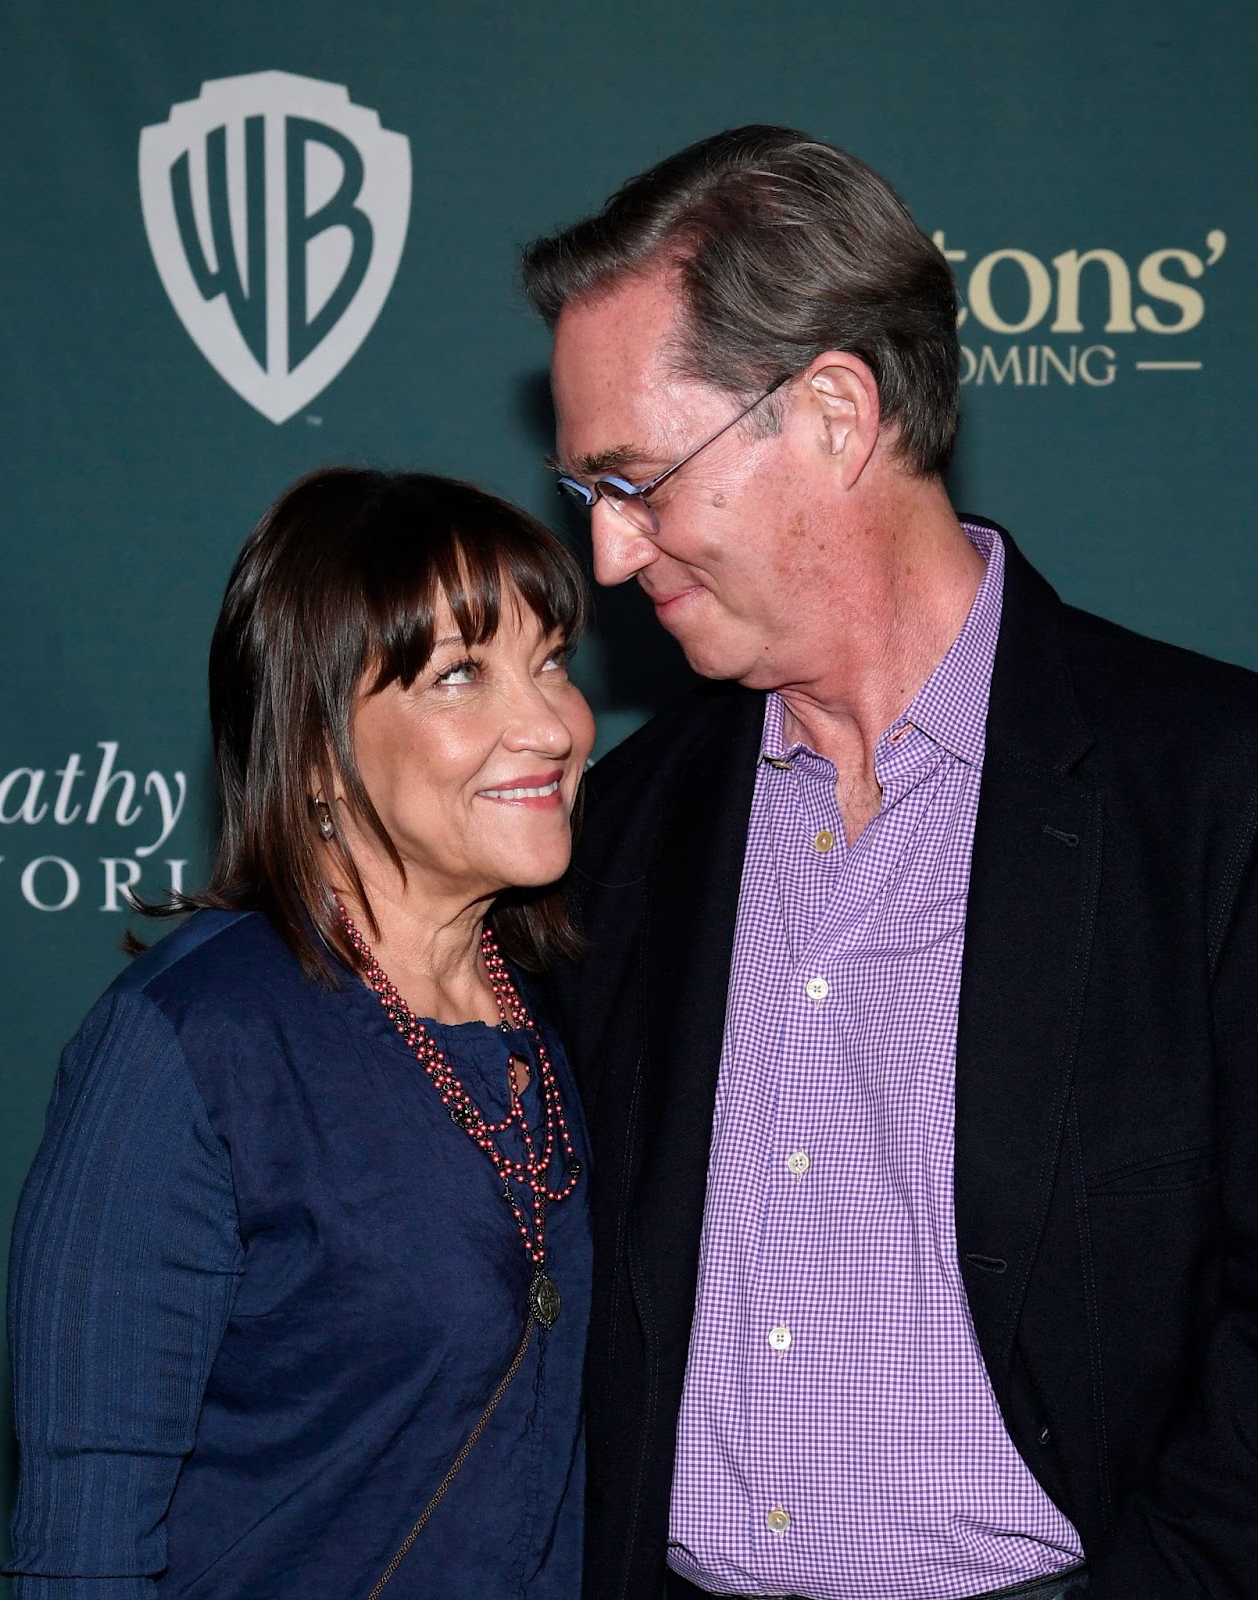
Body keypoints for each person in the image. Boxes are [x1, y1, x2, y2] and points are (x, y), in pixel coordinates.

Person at [520, 126, 1258, 1600]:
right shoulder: (613, 832)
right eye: (587, 496)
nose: (606, 558)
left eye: (637, 481)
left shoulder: (1210, 796)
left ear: (836, 416)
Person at [3, 469, 596, 1598]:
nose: (552, 725)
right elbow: (84, 1537)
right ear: (317, 750)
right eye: (460, 675)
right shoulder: (190, 1045)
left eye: (552, 659)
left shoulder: (563, 1009)